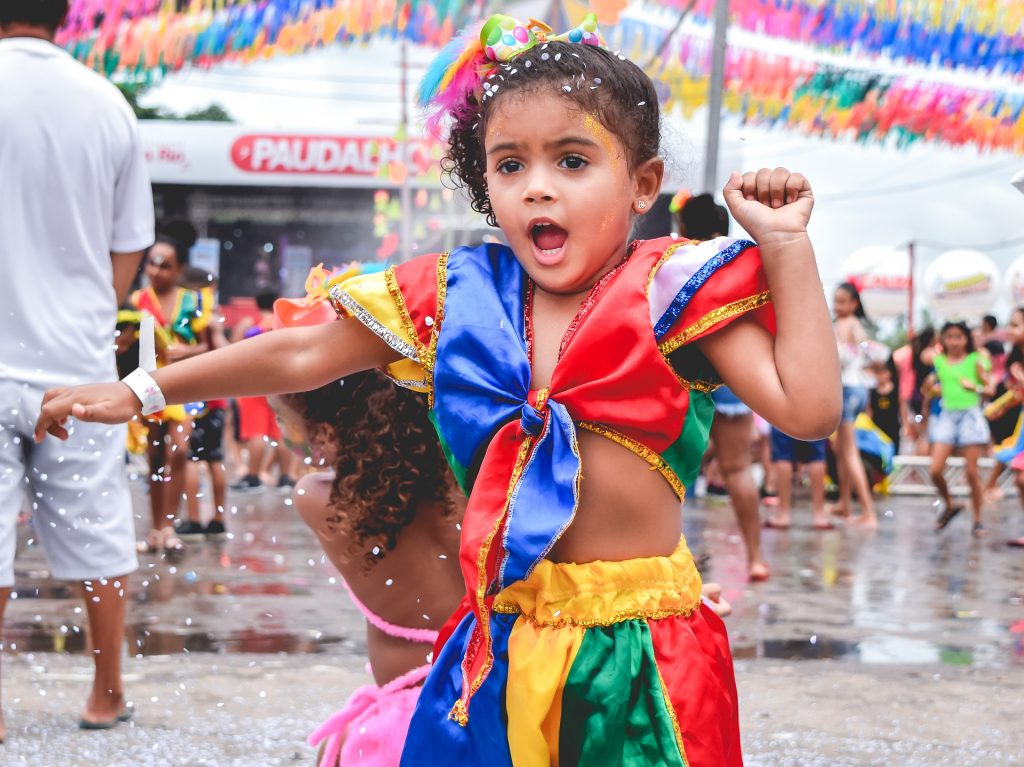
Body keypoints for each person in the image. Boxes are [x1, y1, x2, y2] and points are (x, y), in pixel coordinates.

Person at [35, 13, 841, 765]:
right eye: (509, 164)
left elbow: (810, 408)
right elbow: (300, 355)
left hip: (646, 654)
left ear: (643, 182)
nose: (537, 187)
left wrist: (785, 248)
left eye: (572, 160)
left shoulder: (674, 291)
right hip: (501, 642)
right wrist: (141, 389)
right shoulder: (459, 296)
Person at [0, 0, 154, 734]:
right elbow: (130, 243)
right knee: (98, 526)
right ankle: (106, 691)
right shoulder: (107, 103)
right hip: (78, 363)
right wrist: (93, 315)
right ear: (64, 16)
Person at [676, 193, 769, 581]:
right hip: (732, 377)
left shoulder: (676, 260)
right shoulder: (739, 260)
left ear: (683, 228)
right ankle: (754, 558)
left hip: (681, 377)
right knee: (737, 470)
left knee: (670, 470)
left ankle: (673, 558)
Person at [130, 222, 210, 552]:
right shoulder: (136, 301)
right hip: (147, 387)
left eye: (165, 265)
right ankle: (155, 530)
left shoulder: (193, 302)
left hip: (184, 384)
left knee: (178, 452)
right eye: (152, 263)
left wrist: (183, 351)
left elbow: (209, 347)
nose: (156, 270)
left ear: (178, 269)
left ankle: (168, 526)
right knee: (153, 458)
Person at [178, 267, 230, 539]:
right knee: (215, 458)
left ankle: (194, 519)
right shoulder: (213, 314)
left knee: (191, 458)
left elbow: (216, 350)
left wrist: (182, 352)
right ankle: (218, 519)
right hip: (217, 396)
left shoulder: (192, 313)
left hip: (196, 397)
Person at [927, 321, 992, 537]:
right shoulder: (940, 362)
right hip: (947, 415)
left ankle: (978, 519)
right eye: (949, 336)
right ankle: (950, 504)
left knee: (972, 472)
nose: (953, 341)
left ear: (966, 339)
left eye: (958, 336)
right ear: (943, 339)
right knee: (935, 470)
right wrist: (929, 389)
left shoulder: (975, 360)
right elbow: (929, 390)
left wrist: (975, 386)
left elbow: (990, 389)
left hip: (970, 416)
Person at [231, 290, 297, 492]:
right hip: (281, 383)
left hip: (255, 383)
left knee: (256, 432)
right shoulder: (283, 322)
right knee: (282, 431)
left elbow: (234, 351)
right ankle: (286, 478)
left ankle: (253, 477)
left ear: (256, 303)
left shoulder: (254, 325)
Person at [830, 282, 880, 528]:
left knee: (848, 451)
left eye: (842, 301)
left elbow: (840, 358)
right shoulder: (857, 325)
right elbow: (867, 356)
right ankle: (844, 503)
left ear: (853, 304)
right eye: (835, 300)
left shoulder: (844, 324)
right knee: (842, 449)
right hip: (858, 388)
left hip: (847, 388)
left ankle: (868, 512)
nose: (837, 306)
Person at [764, 428, 830, 530]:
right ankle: (819, 515)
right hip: (813, 415)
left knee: (783, 455)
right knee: (816, 456)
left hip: (784, 414)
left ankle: (783, 514)